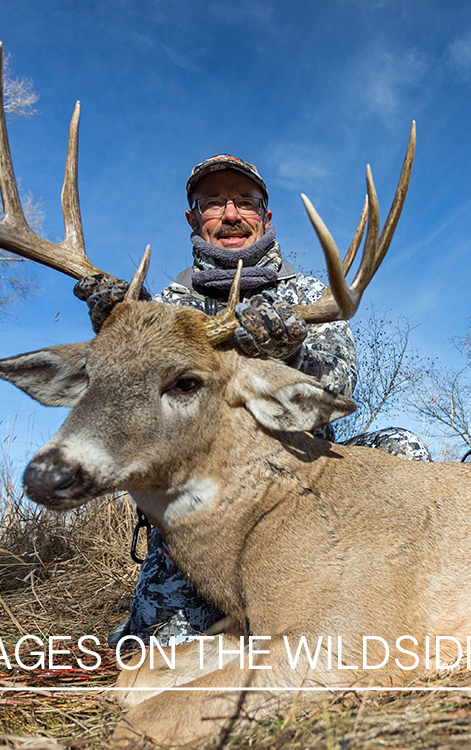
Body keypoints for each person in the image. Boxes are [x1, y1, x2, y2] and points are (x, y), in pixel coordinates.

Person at [72, 154, 430, 646]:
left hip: (307, 487)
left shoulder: (308, 294)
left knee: (403, 450)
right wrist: (119, 332)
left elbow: (338, 391)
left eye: (245, 201)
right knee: (164, 650)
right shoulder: (163, 310)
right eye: (214, 202)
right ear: (193, 218)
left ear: (265, 215)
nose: (232, 213)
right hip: (203, 513)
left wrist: (292, 348)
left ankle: (401, 598)